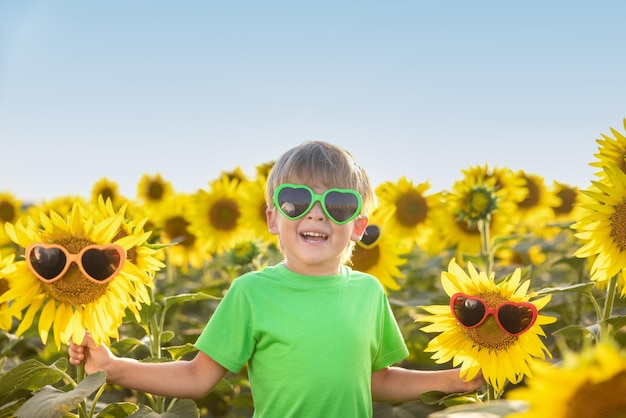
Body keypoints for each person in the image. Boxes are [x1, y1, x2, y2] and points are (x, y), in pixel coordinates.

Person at [69, 140, 484, 417]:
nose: (316, 213)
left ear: (358, 226)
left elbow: (376, 380)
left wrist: (449, 380)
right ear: (273, 218)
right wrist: (116, 367)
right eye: (297, 201)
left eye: (338, 204)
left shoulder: (369, 293)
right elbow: (197, 378)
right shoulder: (251, 293)